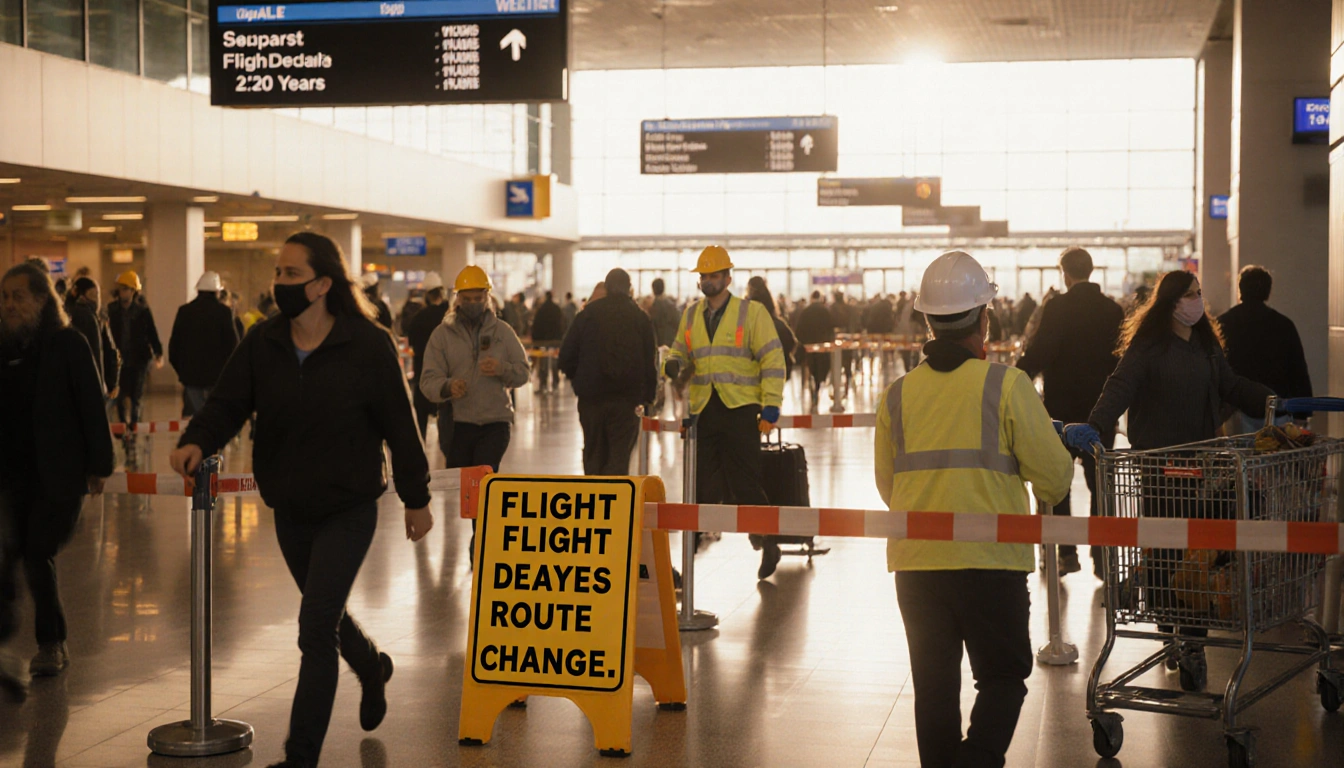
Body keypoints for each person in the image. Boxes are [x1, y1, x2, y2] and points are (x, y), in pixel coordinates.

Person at [170, 232, 432, 768]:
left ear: (322, 285)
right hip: (290, 507)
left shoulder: (367, 343)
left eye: (291, 274)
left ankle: (300, 758)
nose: (279, 283)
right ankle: (371, 666)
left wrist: (415, 496)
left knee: (314, 627)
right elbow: (227, 403)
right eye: (279, 273)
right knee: (326, 615)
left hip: (349, 504)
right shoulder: (263, 342)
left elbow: (400, 426)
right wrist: (197, 438)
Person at [876, 251, 1073, 768]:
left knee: (934, 689)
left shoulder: (897, 395)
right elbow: (1054, 478)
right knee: (1004, 677)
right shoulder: (1007, 386)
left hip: (917, 564)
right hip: (992, 563)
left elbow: (886, 486)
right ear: (985, 318)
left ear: (926, 319)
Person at [1071, 270, 1275, 672]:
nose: (1197, 301)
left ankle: (1192, 640)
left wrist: (1270, 399)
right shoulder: (1148, 347)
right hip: (1159, 468)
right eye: (1189, 295)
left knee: (1195, 558)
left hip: (1200, 465)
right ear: (1170, 302)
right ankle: (1170, 634)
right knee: (1166, 554)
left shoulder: (1206, 346)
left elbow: (1230, 385)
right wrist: (1094, 427)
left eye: (1199, 294)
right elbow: (1119, 386)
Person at [0, 262, 114, 679]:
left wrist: (101, 465)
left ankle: (51, 643)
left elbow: (90, 406)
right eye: (5, 296)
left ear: (42, 300)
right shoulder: (4, 347)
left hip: (58, 474)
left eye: (19, 296)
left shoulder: (68, 343)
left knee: (36, 551)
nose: (10, 304)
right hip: (11, 474)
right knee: (10, 554)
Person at [664, 246, 786, 579]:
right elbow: (678, 352)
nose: (707, 281)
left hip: (739, 409)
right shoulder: (690, 315)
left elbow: (773, 359)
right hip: (704, 410)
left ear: (728, 278)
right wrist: (672, 365)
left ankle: (769, 541)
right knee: (701, 486)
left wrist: (771, 405)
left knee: (745, 484)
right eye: (703, 276)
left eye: (714, 275)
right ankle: (688, 554)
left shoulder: (752, 313)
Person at [1015, 248, 1125, 577]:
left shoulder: (1058, 307)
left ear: (1065, 274)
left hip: (1060, 414)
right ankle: (1102, 558)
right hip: (1099, 412)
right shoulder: (1112, 310)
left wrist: (1014, 377)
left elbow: (1041, 351)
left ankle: (1065, 553)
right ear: (1090, 271)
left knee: (1056, 481)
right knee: (1100, 484)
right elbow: (1120, 362)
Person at [420, 265, 530, 475]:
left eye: (477, 299)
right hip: (456, 425)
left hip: (495, 423)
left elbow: (523, 372)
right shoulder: (442, 335)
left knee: (483, 481)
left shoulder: (503, 332)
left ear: (487, 297)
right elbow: (428, 380)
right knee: (462, 486)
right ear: (458, 299)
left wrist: (502, 369)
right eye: (467, 299)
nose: (472, 304)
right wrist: (447, 387)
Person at [559, 268, 658, 476]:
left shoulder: (587, 315)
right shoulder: (640, 318)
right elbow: (650, 362)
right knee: (619, 459)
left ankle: (593, 502)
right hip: (626, 401)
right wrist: (648, 397)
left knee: (593, 455)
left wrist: (579, 381)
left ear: (606, 287)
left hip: (591, 400)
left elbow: (566, 356)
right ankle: (615, 504)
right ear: (629, 289)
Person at [1217, 265, 1313, 433]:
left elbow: (1216, 369)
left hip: (1236, 409)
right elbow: (1298, 371)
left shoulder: (1223, 324)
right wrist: (1302, 413)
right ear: (1268, 292)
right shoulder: (1284, 325)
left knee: (1240, 458)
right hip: (1278, 410)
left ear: (1240, 289)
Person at [168, 271, 240, 418]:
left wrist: (183, 373)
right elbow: (233, 346)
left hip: (191, 378)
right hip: (217, 379)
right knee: (214, 417)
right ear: (217, 292)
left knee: (195, 418)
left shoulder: (184, 312)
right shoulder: (224, 313)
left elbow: (173, 348)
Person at [106, 270, 163, 429]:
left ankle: (134, 425)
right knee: (120, 395)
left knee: (136, 395)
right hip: (118, 360)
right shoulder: (111, 310)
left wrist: (158, 352)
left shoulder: (142, 311)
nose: (122, 292)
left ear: (133, 291)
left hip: (139, 359)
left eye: (126, 288)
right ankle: (124, 425)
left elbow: (152, 332)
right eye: (121, 288)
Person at [404, 272, 450, 440]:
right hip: (447, 374)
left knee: (421, 419)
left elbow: (412, 341)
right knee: (446, 417)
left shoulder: (419, 317)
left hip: (424, 373)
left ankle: (421, 450)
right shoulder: (451, 316)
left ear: (427, 295)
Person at [65, 276, 120, 399]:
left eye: (97, 295)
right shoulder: (89, 318)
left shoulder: (66, 314)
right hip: (92, 387)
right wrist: (109, 383)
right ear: (82, 296)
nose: (97, 300)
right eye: (93, 295)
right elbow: (99, 353)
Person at [795, 290, 835, 404]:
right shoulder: (825, 311)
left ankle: (812, 386)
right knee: (821, 368)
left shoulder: (805, 312)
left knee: (810, 367)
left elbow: (799, 330)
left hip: (808, 347)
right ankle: (818, 386)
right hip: (823, 347)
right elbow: (831, 328)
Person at [529, 291, 565, 394]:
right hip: (555, 339)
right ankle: (555, 382)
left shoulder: (541, 310)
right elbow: (562, 324)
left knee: (543, 361)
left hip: (543, 340)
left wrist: (535, 340)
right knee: (554, 360)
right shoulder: (557, 309)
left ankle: (543, 383)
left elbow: (537, 325)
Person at [648, 278, 680, 349]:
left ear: (653, 289)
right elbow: (678, 322)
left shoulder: (651, 308)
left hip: (657, 344)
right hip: (671, 343)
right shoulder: (671, 306)